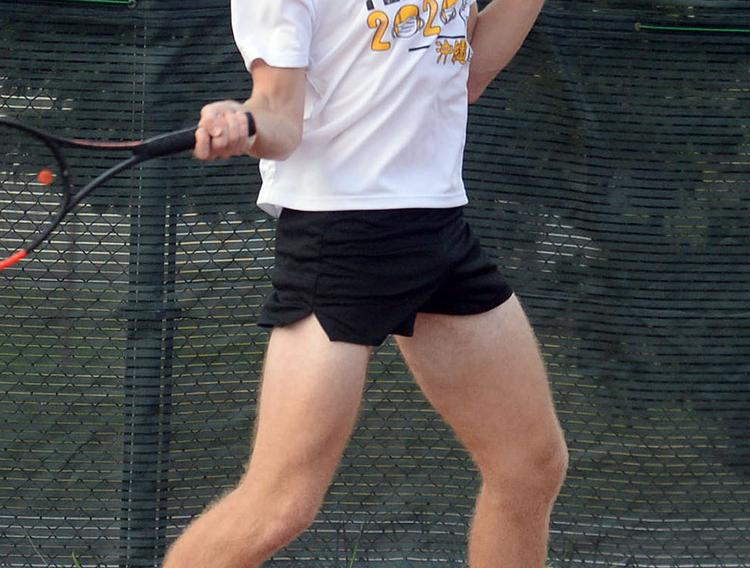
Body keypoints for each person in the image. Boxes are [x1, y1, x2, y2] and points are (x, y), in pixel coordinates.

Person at [167, 0, 568, 566]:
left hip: (440, 229)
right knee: (280, 506)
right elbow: (279, 118)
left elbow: (467, 70)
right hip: (341, 243)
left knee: (529, 466)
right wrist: (245, 121)